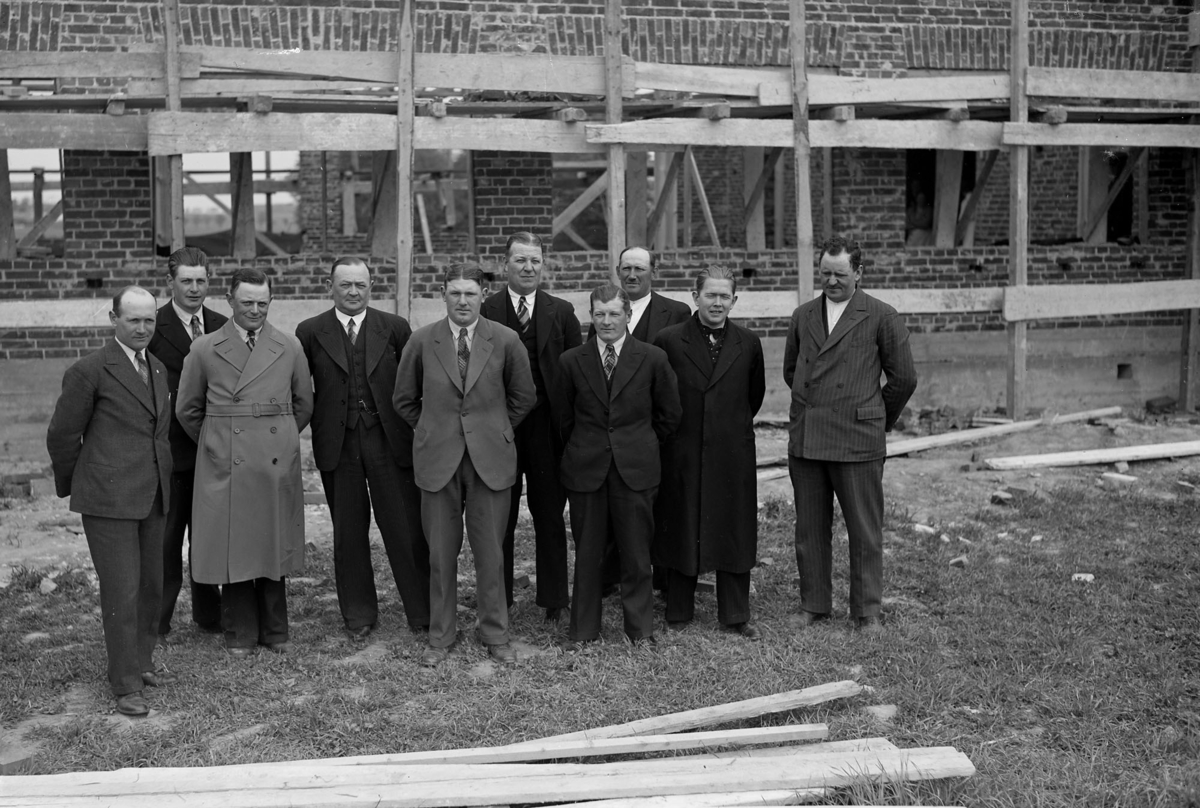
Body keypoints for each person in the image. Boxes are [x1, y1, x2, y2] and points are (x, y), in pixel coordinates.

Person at [393, 265, 536, 667]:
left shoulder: (505, 340)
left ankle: (496, 633)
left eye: (470, 293)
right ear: (443, 293)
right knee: (440, 553)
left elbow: (524, 397)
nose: (462, 301)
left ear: (483, 295)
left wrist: (494, 429)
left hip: (489, 459)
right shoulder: (423, 340)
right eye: (454, 293)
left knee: (491, 551)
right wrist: (433, 429)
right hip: (439, 460)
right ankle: (441, 635)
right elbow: (403, 399)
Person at [47, 286, 175, 717]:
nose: (142, 328)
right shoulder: (89, 371)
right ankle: (124, 684)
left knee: (152, 585)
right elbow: (62, 435)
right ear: (113, 319)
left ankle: (141, 661)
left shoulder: (157, 367)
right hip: (108, 499)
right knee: (122, 590)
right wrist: (81, 484)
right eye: (133, 320)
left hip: (153, 494)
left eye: (149, 320)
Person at [783, 236, 917, 634]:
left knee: (864, 530)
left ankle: (866, 611)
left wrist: (874, 415)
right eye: (825, 273)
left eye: (840, 274)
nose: (831, 281)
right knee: (809, 528)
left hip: (858, 440)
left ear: (859, 273)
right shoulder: (803, 315)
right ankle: (814, 604)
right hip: (809, 437)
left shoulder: (881, 316)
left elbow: (904, 378)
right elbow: (793, 372)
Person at [176, 267, 313, 658]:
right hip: (226, 461)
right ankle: (239, 632)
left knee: (272, 541)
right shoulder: (204, 348)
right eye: (247, 302)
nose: (255, 310)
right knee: (233, 545)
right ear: (229, 301)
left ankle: (275, 629)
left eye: (262, 303)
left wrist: (279, 436)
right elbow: (188, 409)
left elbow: (303, 404)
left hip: (273, 462)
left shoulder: (289, 346)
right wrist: (218, 441)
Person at [297, 257, 429, 640]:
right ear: (330, 287)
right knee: (349, 532)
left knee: (405, 527)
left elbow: (414, 384)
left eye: (360, 285)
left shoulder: (395, 327)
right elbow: (300, 387)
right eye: (345, 285)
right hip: (339, 444)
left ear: (371, 287)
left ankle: (422, 611)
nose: (353, 292)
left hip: (389, 440)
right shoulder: (310, 331)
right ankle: (358, 615)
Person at [558, 283, 681, 650]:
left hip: (635, 469)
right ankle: (583, 630)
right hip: (587, 469)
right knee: (588, 553)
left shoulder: (652, 358)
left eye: (614, 313)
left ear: (628, 315)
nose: (607, 321)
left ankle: (640, 630)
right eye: (599, 314)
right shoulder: (571, 361)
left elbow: (669, 414)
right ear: (590, 316)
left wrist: (639, 444)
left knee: (636, 552)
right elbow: (563, 419)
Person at [653, 266, 765, 639]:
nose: (717, 303)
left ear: (735, 300)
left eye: (724, 296)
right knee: (682, 524)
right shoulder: (670, 340)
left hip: (731, 452)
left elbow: (753, 397)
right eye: (710, 295)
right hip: (683, 451)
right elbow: (661, 396)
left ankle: (734, 614)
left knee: (733, 528)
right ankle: (678, 611)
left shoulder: (748, 342)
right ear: (695, 296)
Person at [479, 232, 581, 622]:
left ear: (543, 265)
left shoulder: (562, 311)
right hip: (501, 427)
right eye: (520, 260)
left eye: (535, 260)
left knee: (550, 514)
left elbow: (575, 374)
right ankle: (499, 599)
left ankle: (555, 599)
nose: (528, 268)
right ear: (505, 264)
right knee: (499, 517)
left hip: (547, 429)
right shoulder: (486, 310)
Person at [592, 246, 691, 594]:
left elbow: (678, 375)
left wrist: (656, 432)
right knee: (613, 509)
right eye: (626, 269)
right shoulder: (605, 313)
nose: (632, 275)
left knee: (658, 508)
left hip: (655, 432)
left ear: (654, 272)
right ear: (618, 271)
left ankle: (661, 578)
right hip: (614, 435)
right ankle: (611, 577)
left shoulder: (676, 312)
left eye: (640, 269)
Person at [148, 247, 226, 641]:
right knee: (167, 539)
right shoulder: (153, 327)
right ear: (170, 283)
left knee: (209, 536)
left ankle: (209, 614)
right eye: (186, 281)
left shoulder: (223, 325)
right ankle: (157, 621)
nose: (194, 289)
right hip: (171, 450)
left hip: (216, 449)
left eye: (201, 280)